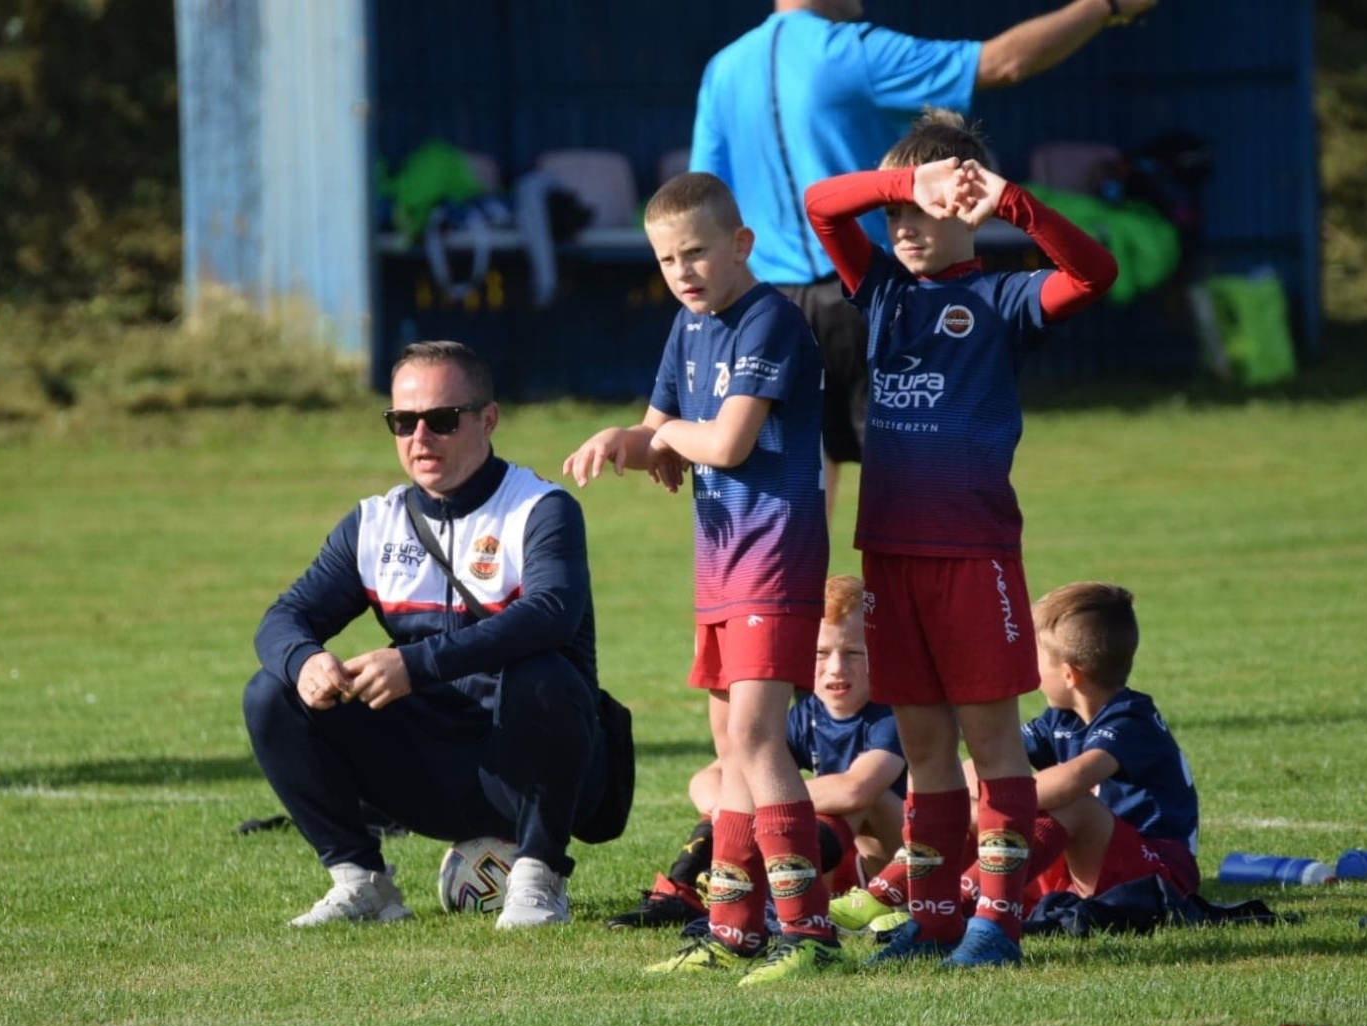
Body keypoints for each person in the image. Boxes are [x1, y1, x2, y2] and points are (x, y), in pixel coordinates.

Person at [803, 110, 1119, 967]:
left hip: (974, 558)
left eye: (926, 211)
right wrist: (909, 181)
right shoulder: (883, 290)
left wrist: (1015, 204)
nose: (903, 227)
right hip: (890, 559)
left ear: (970, 208)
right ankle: (939, 914)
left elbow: (1094, 272)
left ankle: (998, 922)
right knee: (924, 747)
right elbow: (823, 204)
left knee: (991, 742)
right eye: (898, 212)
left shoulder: (1005, 298)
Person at [689, 0, 1160, 517]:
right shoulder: (851, 51)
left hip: (773, 304)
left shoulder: (724, 68)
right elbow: (1005, 62)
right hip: (872, 293)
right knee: (911, 465)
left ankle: (807, 599)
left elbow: (705, 196)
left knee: (793, 505)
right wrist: (1105, 7)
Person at [564, 171, 838, 984]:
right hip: (722, 562)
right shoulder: (689, 329)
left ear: (741, 244)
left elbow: (727, 445)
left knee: (758, 739)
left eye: (696, 253)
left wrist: (665, 437)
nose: (682, 272)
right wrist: (624, 442)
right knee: (728, 746)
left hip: (774, 551)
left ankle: (809, 931)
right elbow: (662, 437)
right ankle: (731, 928)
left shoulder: (770, 321)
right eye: (666, 259)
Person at [244, 340, 609, 930]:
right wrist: (305, 661)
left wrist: (414, 665)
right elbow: (283, 619)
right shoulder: (373, 521)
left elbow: (553, 612)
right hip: (425, 772)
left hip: (533, 765)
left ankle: (539, 877)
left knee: (544, 671)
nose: (420, 438)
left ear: (488, 419)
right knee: (271, 691)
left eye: (441, 420)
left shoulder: (540, 508)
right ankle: (362, 883)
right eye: (402, 421)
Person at [831, 581, 1200, 930]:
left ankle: (962, 897)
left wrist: (998, 804)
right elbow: (986, 762)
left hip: (1158, 875)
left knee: (1065, 804)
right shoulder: (1060, 719)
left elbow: (1073, 781)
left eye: (1037, 657)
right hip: (1090, 867)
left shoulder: (1131, 718)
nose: (1030, 667)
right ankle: (899, 895)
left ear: (1069, 675)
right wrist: (970, 802)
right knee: (984, 806)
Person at [607, 574, 906, 930]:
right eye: (821, 653)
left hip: (895, 865)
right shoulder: (807, 714)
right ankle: (683, 891)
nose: (836, 668)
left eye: (854, 653)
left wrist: (761, 801)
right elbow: (708, 777)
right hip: (837, 868)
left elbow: (855, 789)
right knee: (742, 788)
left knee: (852, 801)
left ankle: (772, 902)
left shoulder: (894, 713)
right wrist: (729, 809)